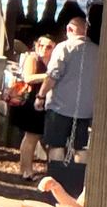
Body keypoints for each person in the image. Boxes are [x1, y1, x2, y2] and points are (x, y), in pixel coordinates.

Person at [37, 12, 98, 169]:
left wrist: (40, 95)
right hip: (86, 110)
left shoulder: (64, 47)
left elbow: (53, 75)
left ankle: (56, 177)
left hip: (60, 107)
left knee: (56, 145)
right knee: (81, 147)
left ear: (69, 29)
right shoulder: (98, 51)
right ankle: (79, 179)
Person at [5, 35, 53, 182]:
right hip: (31, 101)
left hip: (45, 102)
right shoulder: (33, 58)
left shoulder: (53, 61)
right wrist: (50, 75)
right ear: (36, 45)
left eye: (49, 47)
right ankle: (26, 171)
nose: (44, 49)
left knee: (44, 138)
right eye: (41, 45)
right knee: (31, 137)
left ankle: (51, 170)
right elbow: (28, 77)